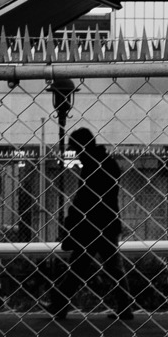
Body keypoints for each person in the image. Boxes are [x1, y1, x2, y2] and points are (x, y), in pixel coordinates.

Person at [58, 124, 127, 316]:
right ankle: (125, 305)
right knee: (112, 267)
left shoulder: (91, 167)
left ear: (82, 146)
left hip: (92, 226)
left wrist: (71, 220)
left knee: (78, 266)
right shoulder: (106, 163)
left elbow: (84, 199)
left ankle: (60, 304)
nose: (74, 152)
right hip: (106, 222)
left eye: (75, 148)